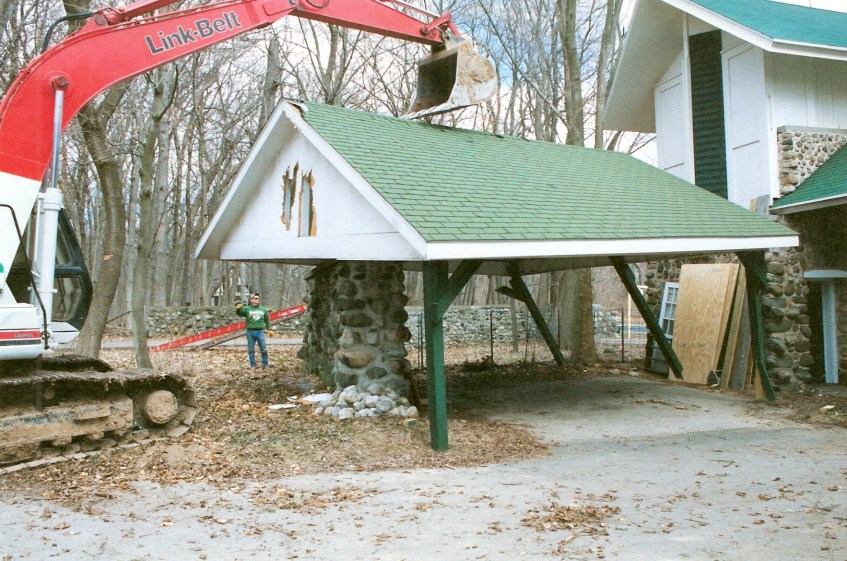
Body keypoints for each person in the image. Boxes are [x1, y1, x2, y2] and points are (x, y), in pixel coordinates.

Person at [235, 293, 273, 368]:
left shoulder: (263, 309)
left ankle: (265, 364)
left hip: (260, 331)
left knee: (263, 349)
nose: (257, 299)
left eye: (258, 298)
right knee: (251, 350)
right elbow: (240, 313)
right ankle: (253, 365)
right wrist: (238, 308)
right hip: (250, 332)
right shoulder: (247, 309)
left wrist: (270, 329)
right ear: (251, 300)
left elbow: (267, 320)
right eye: (255, 298)